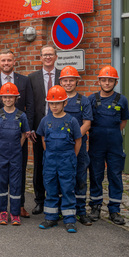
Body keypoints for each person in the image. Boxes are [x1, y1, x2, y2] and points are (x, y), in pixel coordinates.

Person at [0, 49, 34, 218]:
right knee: (1, 171)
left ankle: (20, 206)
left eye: (9, 60)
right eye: (3, 60)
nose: (6, 63)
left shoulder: (24, 81)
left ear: (14, 61)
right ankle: (0, 206)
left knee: (20, 170)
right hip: (0, 137)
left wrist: (26, 132)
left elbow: (30, 106)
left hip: (19, 136)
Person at [87, 65, 129, 225]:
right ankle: (95, 206)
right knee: (96, 175)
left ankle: (114, 210)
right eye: (104, 80)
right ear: (99, 81)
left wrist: (111, 132)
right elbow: (87, 121)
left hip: (115, 145)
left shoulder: (122, 99)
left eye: (110, 80)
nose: (106, 83)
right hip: (96, 145)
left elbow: (123, 122)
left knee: (115, 176)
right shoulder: (92, 99)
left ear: (115, 81)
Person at [36, 85, 82, 233]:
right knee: (50, 188)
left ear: (65, 103)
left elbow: (78, 141)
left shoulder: (72, 121)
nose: (54, 106)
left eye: (57, 103)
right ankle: (51, 217)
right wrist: (50, 154)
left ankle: (69, 220)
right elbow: (43, 139)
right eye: (51, 103)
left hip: (66, 159)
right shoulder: (45, 120)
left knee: (68, 188)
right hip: (50, 159)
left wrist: (70, 157)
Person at [0, 82, 30, 226]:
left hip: (16, 154)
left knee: (15, 183)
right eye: (5, 97)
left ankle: (15, 213)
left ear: (16, 98)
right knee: (0, 182)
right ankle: (2, 212)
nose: (8, 99)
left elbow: (25, 134)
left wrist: (18, 147)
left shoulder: (21, 116)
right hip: (1, 154)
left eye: (11, 97)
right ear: (1, 98)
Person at [28, 45, 61, 215]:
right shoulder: (32, 78)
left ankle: (58, 200)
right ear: (40, 58)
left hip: (60, 127)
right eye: (44, 55)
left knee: (60, 165)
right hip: (39, 129)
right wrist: (31, 127)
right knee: (39, 165)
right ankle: (39, 200)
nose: (47, 57)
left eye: (50, 54)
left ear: (55, 57)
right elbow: (30, 105)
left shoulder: (63, 76)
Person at [59, 66, 93, 226]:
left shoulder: (83, 101)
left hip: (79, 146)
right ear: (61, 82)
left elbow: (87, 123)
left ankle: (80, 211)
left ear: (77, 81)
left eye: (71, 80)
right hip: (61, 146)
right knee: (62, 178)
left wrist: (75, 136)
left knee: (80, 178)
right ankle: (62, 209)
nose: (68, 83)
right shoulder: (57, 98)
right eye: (65, 80)